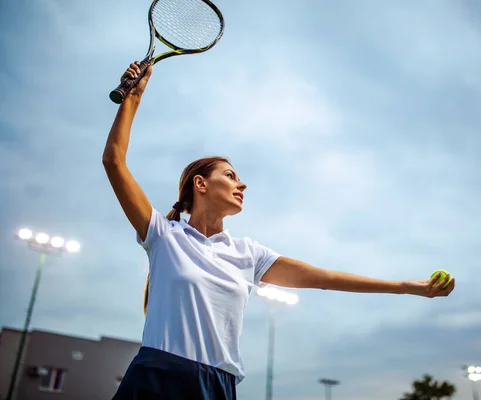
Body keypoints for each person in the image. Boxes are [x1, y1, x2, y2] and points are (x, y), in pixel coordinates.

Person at [103, 62, 456, 400]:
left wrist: (410, 287)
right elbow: (114, 161)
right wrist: (133, 97)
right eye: (230, 176)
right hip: (156, 377)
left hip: (218, 384)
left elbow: (327, 278)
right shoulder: (164, 236)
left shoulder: (248, 254)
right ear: (201, 184)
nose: (241, 184)